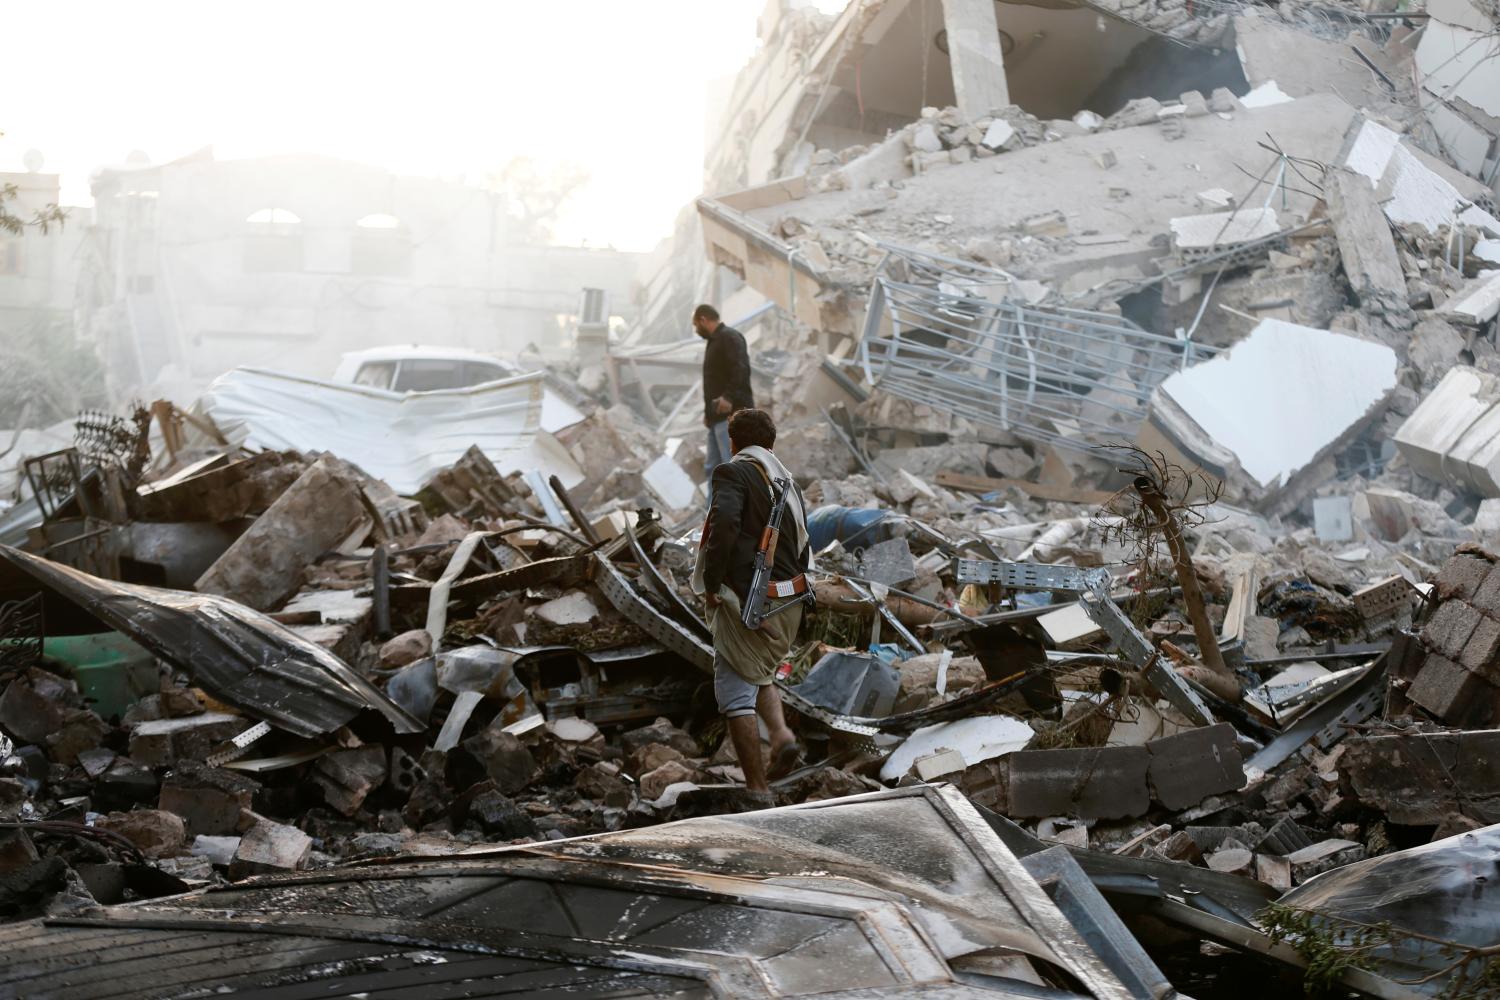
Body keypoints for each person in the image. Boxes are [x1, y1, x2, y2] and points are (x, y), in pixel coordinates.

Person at [692, 408, 808, 802]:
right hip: (790, 603)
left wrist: (712, 584)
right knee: (758, 671)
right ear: (771, 444)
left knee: (733, 691)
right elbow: (805, 548)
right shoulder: (788, 484)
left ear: (733, 442)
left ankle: (757, 789)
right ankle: (780, 735)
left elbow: (723, 526)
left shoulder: (732, 472)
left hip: (753, 602)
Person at [692, 304, 753, 503]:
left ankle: (738, 513)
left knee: (732, 467)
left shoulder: (729, 337)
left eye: (696, 325)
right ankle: (714, 517)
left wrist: (728, 397)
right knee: (714, 469)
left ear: (703, 319)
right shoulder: (714, 342)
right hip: (716, 418)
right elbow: (714, 381)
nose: (696, 330)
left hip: (731, 416)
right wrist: (707, 414)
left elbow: (740, 369)